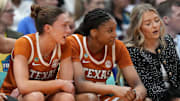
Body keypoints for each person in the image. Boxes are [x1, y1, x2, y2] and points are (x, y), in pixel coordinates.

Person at [67, 8, 146, 101]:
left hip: (103, 97)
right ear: (94, 33)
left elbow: (138, 84)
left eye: (115, 30)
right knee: (90, 98)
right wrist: (113, 88)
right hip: (76, 95)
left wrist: (136, 94)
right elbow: (80, 85)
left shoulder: (117, 47)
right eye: (110, 31)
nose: (115, 35)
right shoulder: (74, 42)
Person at [0, 4, 75, 101]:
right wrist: (59, 83)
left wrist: (58, 85)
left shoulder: (65, 43)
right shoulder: (24, 43)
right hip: (13, 94)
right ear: (48, 28)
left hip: (45, 93)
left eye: (69, 26)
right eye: (64, 26)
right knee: (35, 96)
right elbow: (23, 86)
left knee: (66, 97)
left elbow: (67, 86)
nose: (69, 30)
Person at [125, 3, 180, 101]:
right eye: (148, 23)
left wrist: (176, 96)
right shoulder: (132, 51)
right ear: (138, 28)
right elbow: (150, 90)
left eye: (157, 20)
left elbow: (177, 76)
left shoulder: (167, 41)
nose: (155, 26)